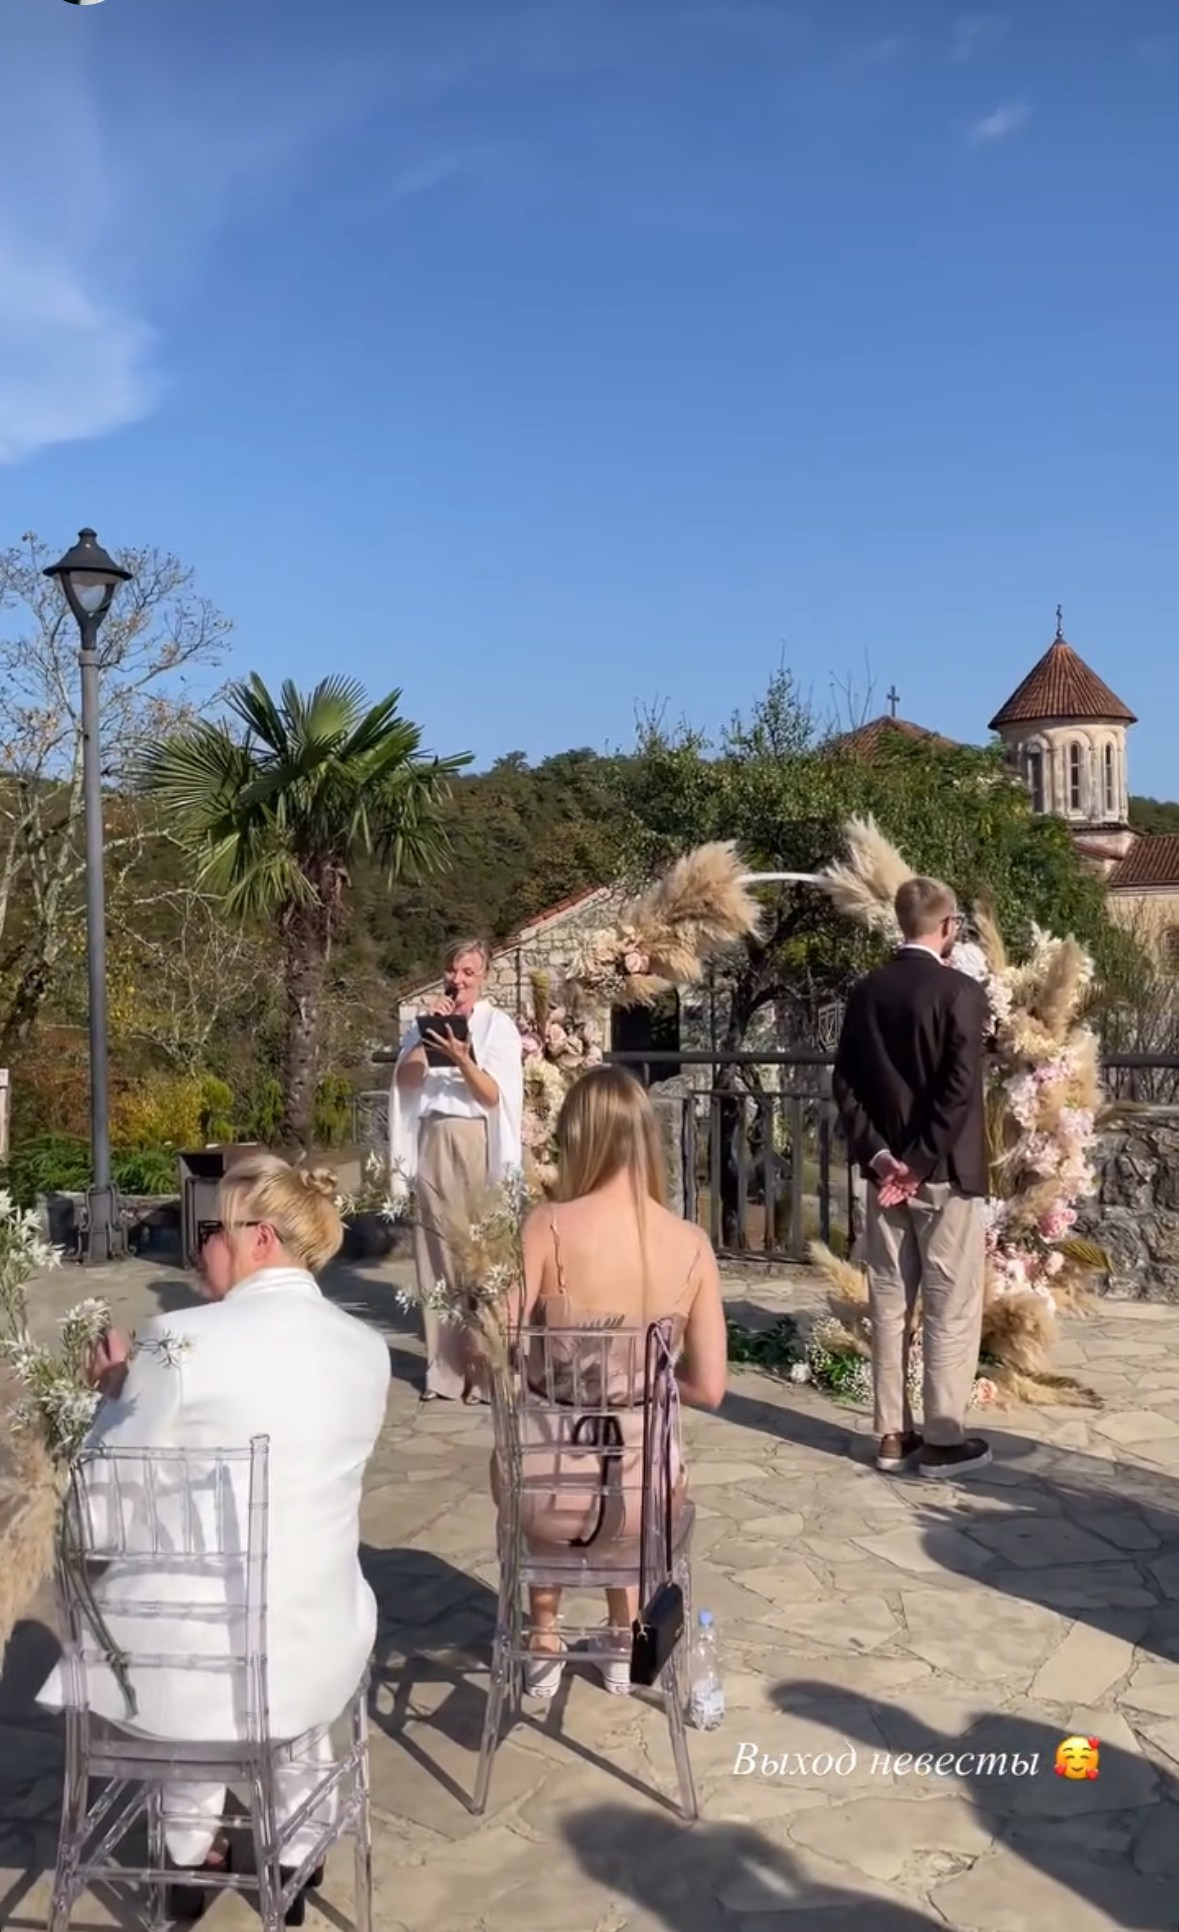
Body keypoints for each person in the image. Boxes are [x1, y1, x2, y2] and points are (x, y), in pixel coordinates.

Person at [38, 1154, 391, 1924]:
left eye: (208, 1231)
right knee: (271, 1636)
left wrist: (113, 1399)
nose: (196, 1248)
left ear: (259, 1238)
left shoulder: (177, 1341)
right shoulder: (370, 1351)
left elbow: (97, 1516)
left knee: (174, 1609)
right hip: (316, 1645)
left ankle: (186, 1858)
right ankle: (295, 1859)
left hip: (186, 1666)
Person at [491, 1064, 728, 1697]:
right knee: (633, 1455)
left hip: (546, 1494)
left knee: (551, 1437)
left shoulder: (547, 1226)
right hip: (647, 1506)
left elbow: (497, 1344)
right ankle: (626, 1640)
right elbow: (709, 1386)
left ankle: (542, 1638)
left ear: (580, 1140)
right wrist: (643, 1376)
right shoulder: (692, 1243)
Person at [832, 875, 990, 1479]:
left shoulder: (865, 991)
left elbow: (844, 1082)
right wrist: (919, 1163)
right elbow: (957, 1092)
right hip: (944, 1174)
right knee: (951, 1304)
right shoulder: (960, 992)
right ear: (947, 926)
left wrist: (880, 1159)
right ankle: (945, 1440)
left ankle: (892, 1435)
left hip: (884, 1179)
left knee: (890, 1303)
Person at [390, 937, 524, 1401]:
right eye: (453, 971)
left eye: (468, 972)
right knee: (437, 1253)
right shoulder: (423, 1024)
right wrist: (426, 1043)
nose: (458, 980)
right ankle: (444, 1373)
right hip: (434, 1136)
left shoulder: (496, 1026)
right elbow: (406, 1083)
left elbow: (493, 1096)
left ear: (482, 976)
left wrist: (463, 1057)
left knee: (481, 1254)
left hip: (476, 1138)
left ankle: (486, 1372)